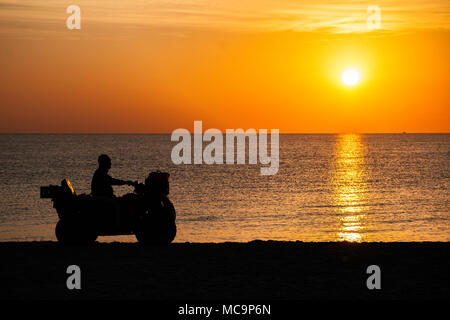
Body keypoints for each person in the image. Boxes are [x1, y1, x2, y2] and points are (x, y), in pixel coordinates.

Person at [91, 154, 135, 228]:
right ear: (104, 163)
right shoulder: (100, 173)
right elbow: (112, 181)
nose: (110, 164)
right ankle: (117, 225)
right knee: (116, 205)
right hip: (100, 197)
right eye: (108, 162)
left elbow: (111, 180)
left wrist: (126, 182)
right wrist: (125, 182)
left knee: (122, 201)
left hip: (104, 196)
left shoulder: (101, 172)